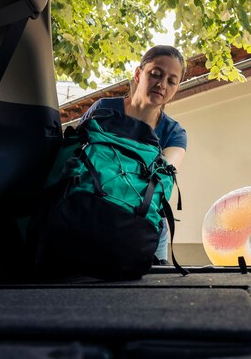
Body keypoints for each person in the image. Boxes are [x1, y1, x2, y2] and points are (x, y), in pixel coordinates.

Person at [80, 45, 187, 265]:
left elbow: (162, 176)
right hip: (88, 213)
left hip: (141, 227)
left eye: (171, 80)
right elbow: (75, 154)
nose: (161, 84)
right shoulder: (103, 109)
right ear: (138, 74)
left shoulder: (174, 133)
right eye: (155, 74)